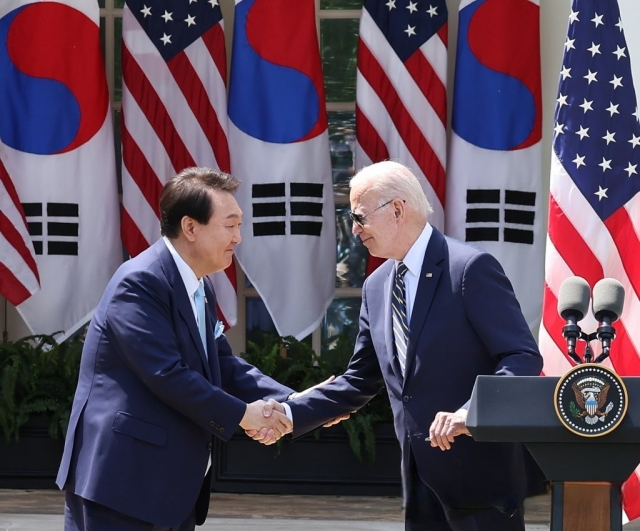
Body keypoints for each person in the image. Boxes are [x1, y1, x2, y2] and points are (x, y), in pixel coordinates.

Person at [283, 161, 543, 531]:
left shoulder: (469, 269)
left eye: (359, 216)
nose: (354, 229)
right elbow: (360, 380)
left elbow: (521, 356)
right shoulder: (376, 286)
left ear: (398, 210)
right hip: (420, 483)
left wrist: (473, 412)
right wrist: (290, 412)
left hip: (481, 483)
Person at [57, 167, 295, 531]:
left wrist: (297, 401)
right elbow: (166, 374)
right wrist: (245, 415)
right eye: (230, 225)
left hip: (168, 489)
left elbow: (222, 365)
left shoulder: (199, 285)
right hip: (122, 485)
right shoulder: (140, 281)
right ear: (190, 227)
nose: (239, 237)